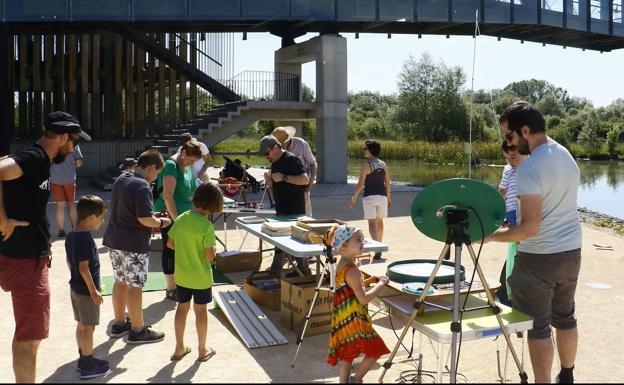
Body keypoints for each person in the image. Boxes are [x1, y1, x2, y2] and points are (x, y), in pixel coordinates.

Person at [485, 101, 581, 384]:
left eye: (509, 136)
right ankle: (567, 376)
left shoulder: (529, 169)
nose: (508, 143)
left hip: (539, 257)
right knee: (566, 317)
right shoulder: (565, 155)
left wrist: (487, 237)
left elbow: (529, 228)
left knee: (537, 327)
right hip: (571, 253)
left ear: (525, 131)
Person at [0, 110, 90, 383]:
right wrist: (2, 219)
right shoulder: (36, 158)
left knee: (28, 335)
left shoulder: (34, 156)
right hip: (26, 261)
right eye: (74, 142)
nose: (74, 148)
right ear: (63, 137)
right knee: (30, 337)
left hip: (22, 256)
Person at [103, 149, 171, 344]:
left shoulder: (122, 179)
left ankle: (119, 323)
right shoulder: (142, 186)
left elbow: (131, 211)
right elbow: (143, 219)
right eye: (157, 173)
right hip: (134, 244)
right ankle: (138, 329)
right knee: (135, 286)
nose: (155, 178)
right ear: (151, 167)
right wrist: (161, 222)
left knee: (120, 281)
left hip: (115, 239)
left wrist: (152, 217)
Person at [166, 182, 224, 363]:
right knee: (201, 312)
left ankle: (179, 348)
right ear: (214, 205)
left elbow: (170, 244)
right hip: (201, 278)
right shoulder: (207, 226)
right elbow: (209, 256)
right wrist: (214, 252)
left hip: (181, 276)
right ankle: (202, 349)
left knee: (181, 309)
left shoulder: (181, 218)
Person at [326, 225, 390, 383]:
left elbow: (349, 288)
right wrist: (381, 283)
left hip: (343, 318)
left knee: (347, 353)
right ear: (344, 245)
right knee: (376, 350)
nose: (363, 243)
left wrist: (368, 280)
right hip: (354, 319)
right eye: (358, 239)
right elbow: (363, 299)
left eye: (363, 240)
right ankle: (356, 379)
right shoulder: (353, 270)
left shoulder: (342, 264)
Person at [65, 195, 110, 379]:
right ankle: (88, 364)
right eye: (101, 217)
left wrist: (75, 278)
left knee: (81, 325)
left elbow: (70, 262)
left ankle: (82, 358)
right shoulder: (85, 239)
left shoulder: (71, 235)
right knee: (88, 327)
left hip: (75, 288)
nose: (102, 220)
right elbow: (84, 268)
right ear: (91, 217)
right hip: (85, 292)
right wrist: (94, 291)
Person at [155, 139, 203, 300]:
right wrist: (178, 221)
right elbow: (168, 197)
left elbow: (192, 190)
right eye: (190, 160)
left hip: (186, 215)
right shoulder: (171, 165)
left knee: (183, 250)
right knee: (170, 249)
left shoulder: (188, 166)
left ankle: (181, 282)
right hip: (170, 216)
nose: (192, 163)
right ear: (183, 153)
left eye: (195, 161)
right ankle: (170, 287)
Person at [259, 135, 310, 275]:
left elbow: (305, 180)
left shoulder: (291, 159)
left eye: (266, 153)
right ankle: (277, 270)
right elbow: (278, 181)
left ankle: (304, 272)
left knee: (296, 242)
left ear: (275, 147)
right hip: (282, 208)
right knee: (280, 242)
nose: (266, 156)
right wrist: (270, 179)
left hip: (294, 210)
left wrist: (284, 177)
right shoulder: (275, 161)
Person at [496, 141, 528, 306]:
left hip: (523, 210)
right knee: (515, 241)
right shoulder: (508, 170)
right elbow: (503, 190)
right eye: (507, 157)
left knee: (522, 240)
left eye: (514, 157)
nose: (510, 161)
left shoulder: (530, 168)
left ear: (525, 153)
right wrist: (494, 204)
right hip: (510, 212)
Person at [349, 140, 392, 261]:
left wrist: (353, 198)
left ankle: (377, 247)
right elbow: (387, 183)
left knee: (372, 223)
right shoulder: (383, 164)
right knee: (380, 221)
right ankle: (380, 245)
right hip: (382, 196)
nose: (364, 150)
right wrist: (389, 197)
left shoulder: (367, 165)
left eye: (365, 149)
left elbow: (360, 184)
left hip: (369, 197)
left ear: (371, 150)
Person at [272, 126, 317, 216]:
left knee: (305, 216)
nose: (278, 147)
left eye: (280, 144)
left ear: (287, 140)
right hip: (285, 187)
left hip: (302, 184)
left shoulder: (301, 144)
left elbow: (313, 164)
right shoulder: (276, 150)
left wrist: (311, 183)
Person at [50, 144, 83, 237]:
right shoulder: (74, 144)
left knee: (60, 206)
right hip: (69, 179)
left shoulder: (52, 143)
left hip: (55, 178)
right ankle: (75, 228)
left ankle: (61, 231)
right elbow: (79, 163)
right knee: (71, 204)